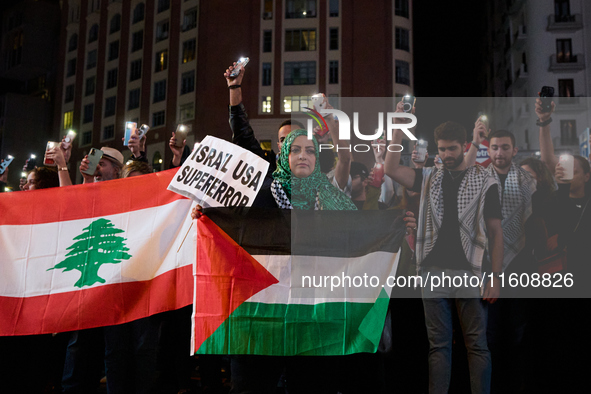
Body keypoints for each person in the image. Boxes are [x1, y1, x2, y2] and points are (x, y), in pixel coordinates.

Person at [384, 101, 504, 394]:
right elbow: (389, 168)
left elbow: (495, 231)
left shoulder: (484, 180)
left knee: (476, 345)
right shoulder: (428, 178)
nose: (446, 155)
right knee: (438, 347)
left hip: (470, 271)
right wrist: (399, 124)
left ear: (464, 146)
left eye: (452, 148)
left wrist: (496, 276)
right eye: (442, 149)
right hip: (432, 272)